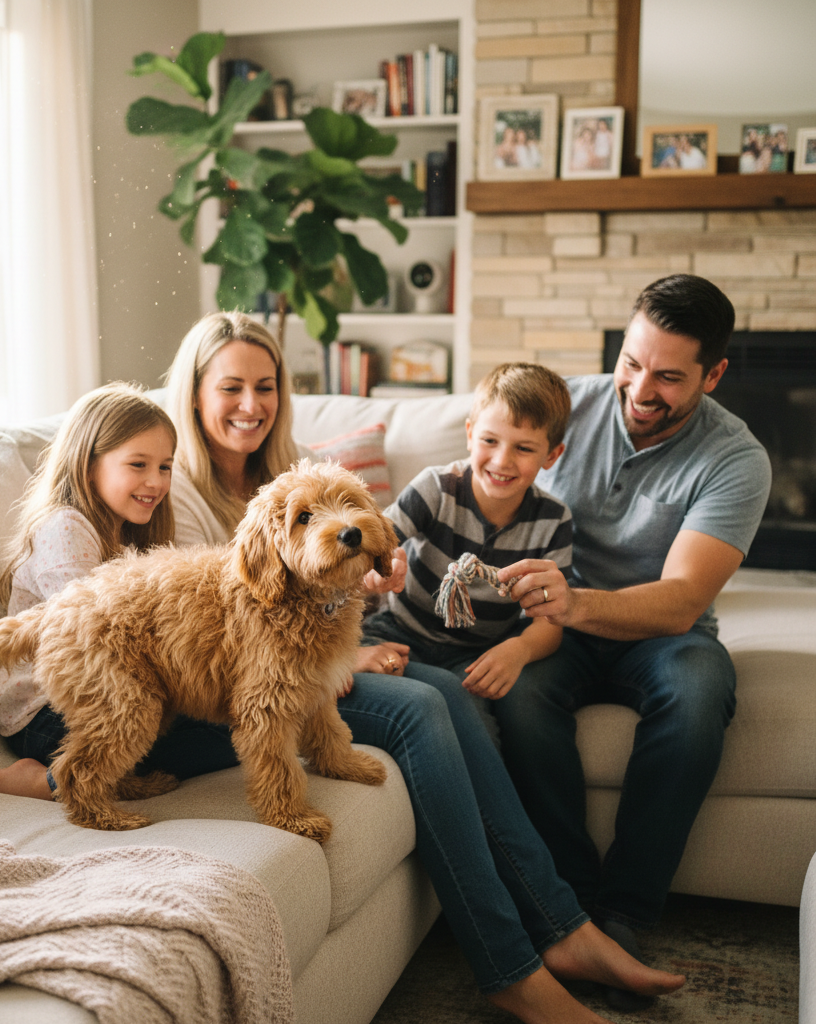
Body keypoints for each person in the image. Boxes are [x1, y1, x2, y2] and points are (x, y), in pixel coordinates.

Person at [164, 310, 685, 1024]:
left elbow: (356, 566)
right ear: (195, 394)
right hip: (257, 687)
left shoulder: (295, 473)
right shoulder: (175, 488)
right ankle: (519, 963)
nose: (252, 405)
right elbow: (216, 632)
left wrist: (366, 593)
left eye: (267, 386)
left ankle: (562, 930)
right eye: (231, 388)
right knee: (428, 705)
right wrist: (354, 642)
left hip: (324, 657)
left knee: (445, 701)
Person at [491, 274, 772, 1011]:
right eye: (632, 362)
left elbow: (682, 601)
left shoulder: (736, 459)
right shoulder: (565, 408)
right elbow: (480, 466)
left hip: (657, 633)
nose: (641, 389)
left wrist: (575, 599)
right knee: (519, 694)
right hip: (560, 626)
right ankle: (572, 912)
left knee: (701, 690)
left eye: (671, 377)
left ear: (713, 375)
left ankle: (627, 914)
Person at [0, 381, 237, 798]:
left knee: (238, 722)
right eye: (138, 464)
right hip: (49, 713)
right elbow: (93, 641)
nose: (156, 482)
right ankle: (49, 780)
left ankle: (109, 775)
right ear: (88, 464)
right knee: (228, 736)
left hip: (124, 693)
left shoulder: (127, 535)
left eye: (164, 466)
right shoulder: (64, 529)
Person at [362, 363, 571, 745]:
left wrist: (519, 650)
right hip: (399, 632)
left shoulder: (553, 521)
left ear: (552, 455)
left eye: (523, 448)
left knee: (478, 729)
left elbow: (551, 622)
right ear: (471, 434)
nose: (502, 460)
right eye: (490, 441)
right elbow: (377, 541)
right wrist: (381, 568)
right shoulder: (437, 488)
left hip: (477, 654)